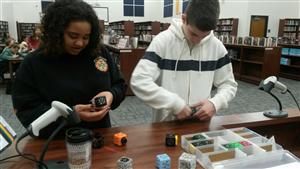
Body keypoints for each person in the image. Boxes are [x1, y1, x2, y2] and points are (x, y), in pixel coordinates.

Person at [12, 0, 127, 138]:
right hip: (56, 141)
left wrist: (111, 95)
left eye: (86, 37)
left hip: (99, 138)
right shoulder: (34, 62)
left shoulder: (99, 52)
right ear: (56, 32)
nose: (80, 43)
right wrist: (71, 115)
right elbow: (26, 110)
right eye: (73, 36)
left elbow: (120, 84)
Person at [130, 0, 237, 122]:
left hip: (202, 123)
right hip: (166, 124)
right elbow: (139, 81)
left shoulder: (217, 47)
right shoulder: (163, 41)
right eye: (194, 34)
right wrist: (175, 104)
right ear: (184, 19)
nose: (198, 41)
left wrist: (215, 103)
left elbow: (229, 84)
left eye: (204, 36)